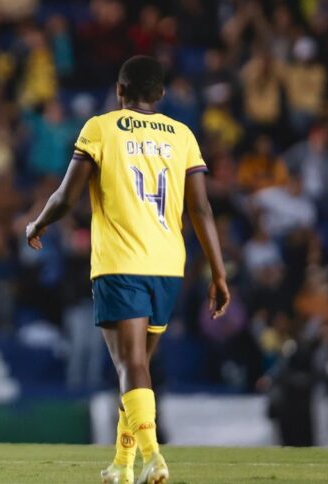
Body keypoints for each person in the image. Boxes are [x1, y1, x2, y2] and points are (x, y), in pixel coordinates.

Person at [25, 56, 230, 484]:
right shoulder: (183, 135)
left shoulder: (100, 127)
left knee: (130, 366)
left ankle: (154, 457)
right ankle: (121, 466)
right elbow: (201, 208)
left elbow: (66, 196)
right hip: (169, 267)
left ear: (120, 91)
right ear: (160, 95)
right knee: (137, 371)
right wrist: (219, 272)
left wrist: (39, 222)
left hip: (120, 264)